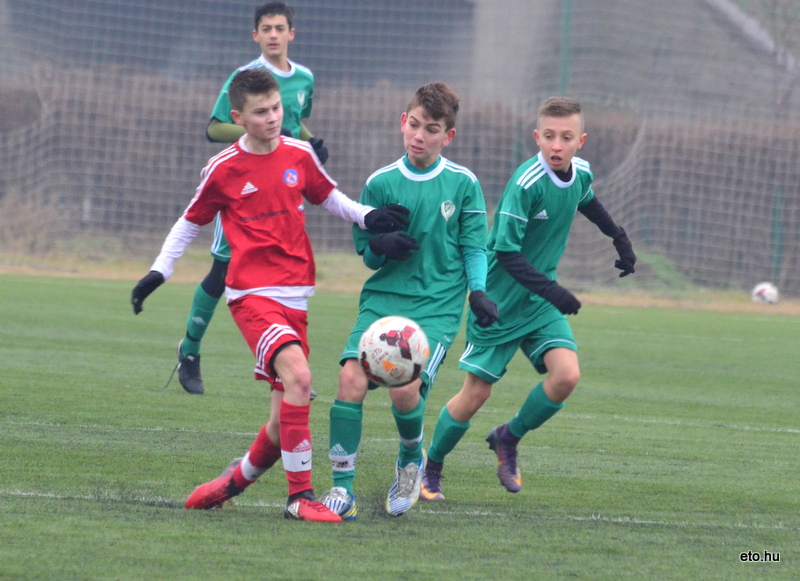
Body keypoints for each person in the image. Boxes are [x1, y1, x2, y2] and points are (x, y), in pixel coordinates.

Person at [130, 68, 409, 521]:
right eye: (261, 112)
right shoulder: (224, 168)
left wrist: (368, 216)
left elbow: (329, 196)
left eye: (276, 108)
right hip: (251, 295)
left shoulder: (299, 153)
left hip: (295, 295)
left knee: (282, 425)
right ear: (239, 117)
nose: (273, 118)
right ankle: (300, 498)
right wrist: (159, 271)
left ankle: (228, 484)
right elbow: (189, 222)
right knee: (300, 378)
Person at [417, 96, 636, 501]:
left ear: (581, 141)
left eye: (566, 137)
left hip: (537, 302)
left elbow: (586, 199)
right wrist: (553, 290)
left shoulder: (581, 172)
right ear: (537, 137)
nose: (556, 145)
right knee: (476, 394)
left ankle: (507, 437)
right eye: (549, 136)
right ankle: (430, 466)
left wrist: (618, 237)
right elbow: (505, 252)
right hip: (497, 302)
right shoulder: (526, 183)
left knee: (566, 376)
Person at [318, 83, 499, 520]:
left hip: (436, 306)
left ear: (447, 136)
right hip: (383, 301)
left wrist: (477, 291)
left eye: (431, 129)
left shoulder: (463, 184)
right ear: (403, 122)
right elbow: (367, 254)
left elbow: (474, 247)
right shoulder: (380, 182)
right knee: (349, 380)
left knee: (404, 388)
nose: (419, 136)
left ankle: (409, 460)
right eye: (414, 124)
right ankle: (342, 488)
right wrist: (382, 245)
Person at [164, 1, 327, 395]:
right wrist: (259, 134)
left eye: (280, 28)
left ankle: (290, 370)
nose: (273, 35)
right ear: (255, 35)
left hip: (283, 189)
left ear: (292, 33)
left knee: (283, 269)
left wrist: (311, 141)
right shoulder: (244, 77)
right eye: (266, 28)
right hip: (244, 193)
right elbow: (215, 128)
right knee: (221, 273)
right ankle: (190, 349)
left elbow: (295, 122)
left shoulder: (305, 78)